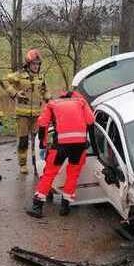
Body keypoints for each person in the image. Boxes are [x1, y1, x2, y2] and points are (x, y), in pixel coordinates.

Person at [26, 90, 94, 218]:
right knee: (73, 175)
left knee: (49, 174)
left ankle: (37, 207)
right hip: (79, 146)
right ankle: (65, 206)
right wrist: (91, 144)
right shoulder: (81, 102)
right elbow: (91, 121)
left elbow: (43, 124)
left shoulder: (52, 104)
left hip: (60, 145)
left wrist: (43, 143)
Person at [1, 49, 50, 175]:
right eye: (34, 63)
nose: (36, 66)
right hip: (22, 115)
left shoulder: (41, 77)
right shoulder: (19, 75)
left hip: (36, 116)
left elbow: (45, 91)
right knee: (23, 140)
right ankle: (22, 164)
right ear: (28, 64)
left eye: (38, 64)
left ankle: (36, 165)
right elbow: (4, 81)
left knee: (37, 142)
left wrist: (50, 100)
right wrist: (15, 93)